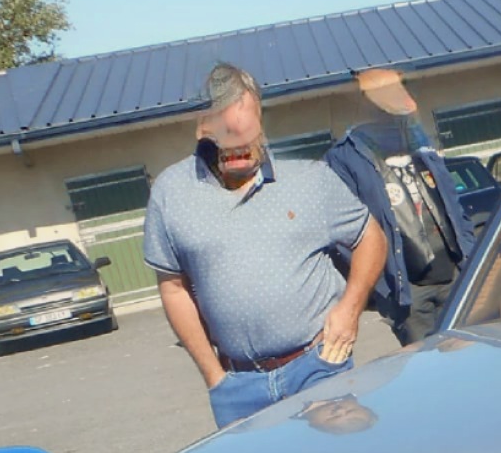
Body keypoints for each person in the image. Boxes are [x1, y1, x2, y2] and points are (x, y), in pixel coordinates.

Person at [143, 64, 389, 429]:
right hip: (238, 387)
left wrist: (350, 309)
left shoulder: (310, 180)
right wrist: (214, 378)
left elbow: (371, 237)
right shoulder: (171, 193)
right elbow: (173, 287)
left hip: (318, 367)